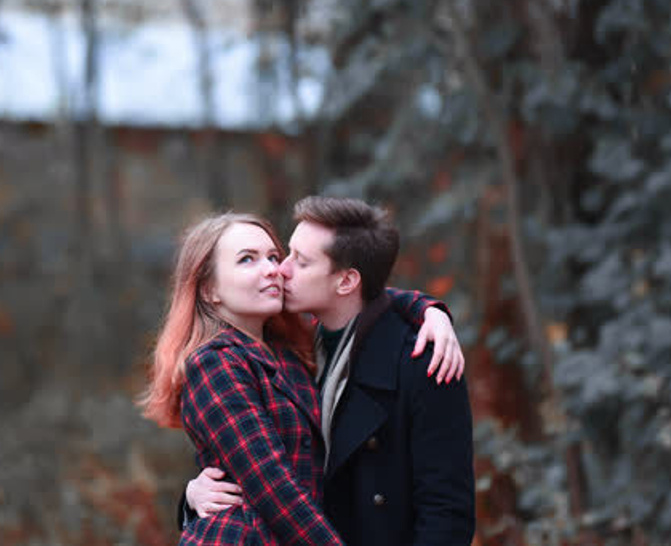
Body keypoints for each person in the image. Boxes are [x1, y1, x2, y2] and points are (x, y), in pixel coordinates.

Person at [140, 212, 464, 545]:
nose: (273, 269)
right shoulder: (214, 365)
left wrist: (428, 310)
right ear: (209, 290)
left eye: (273, 257)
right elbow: (275, 489)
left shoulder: (287, 350)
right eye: (247, 260)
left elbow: (354, 295)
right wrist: (192, 497)